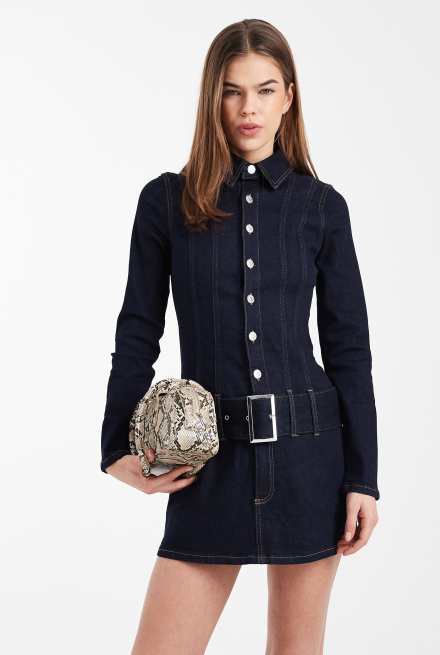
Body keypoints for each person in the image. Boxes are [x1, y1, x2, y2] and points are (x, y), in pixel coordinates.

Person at [100, 18, 380, 655]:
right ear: (212, 98)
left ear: (288, 98)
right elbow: (138, 328)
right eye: (232, 91)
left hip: (311, 461)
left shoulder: (321, 207)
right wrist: (116, 445)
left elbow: (349, 350)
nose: (248, 108)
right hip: (208, 468)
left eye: (264, 90)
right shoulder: (166, 202)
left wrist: (363, 477)